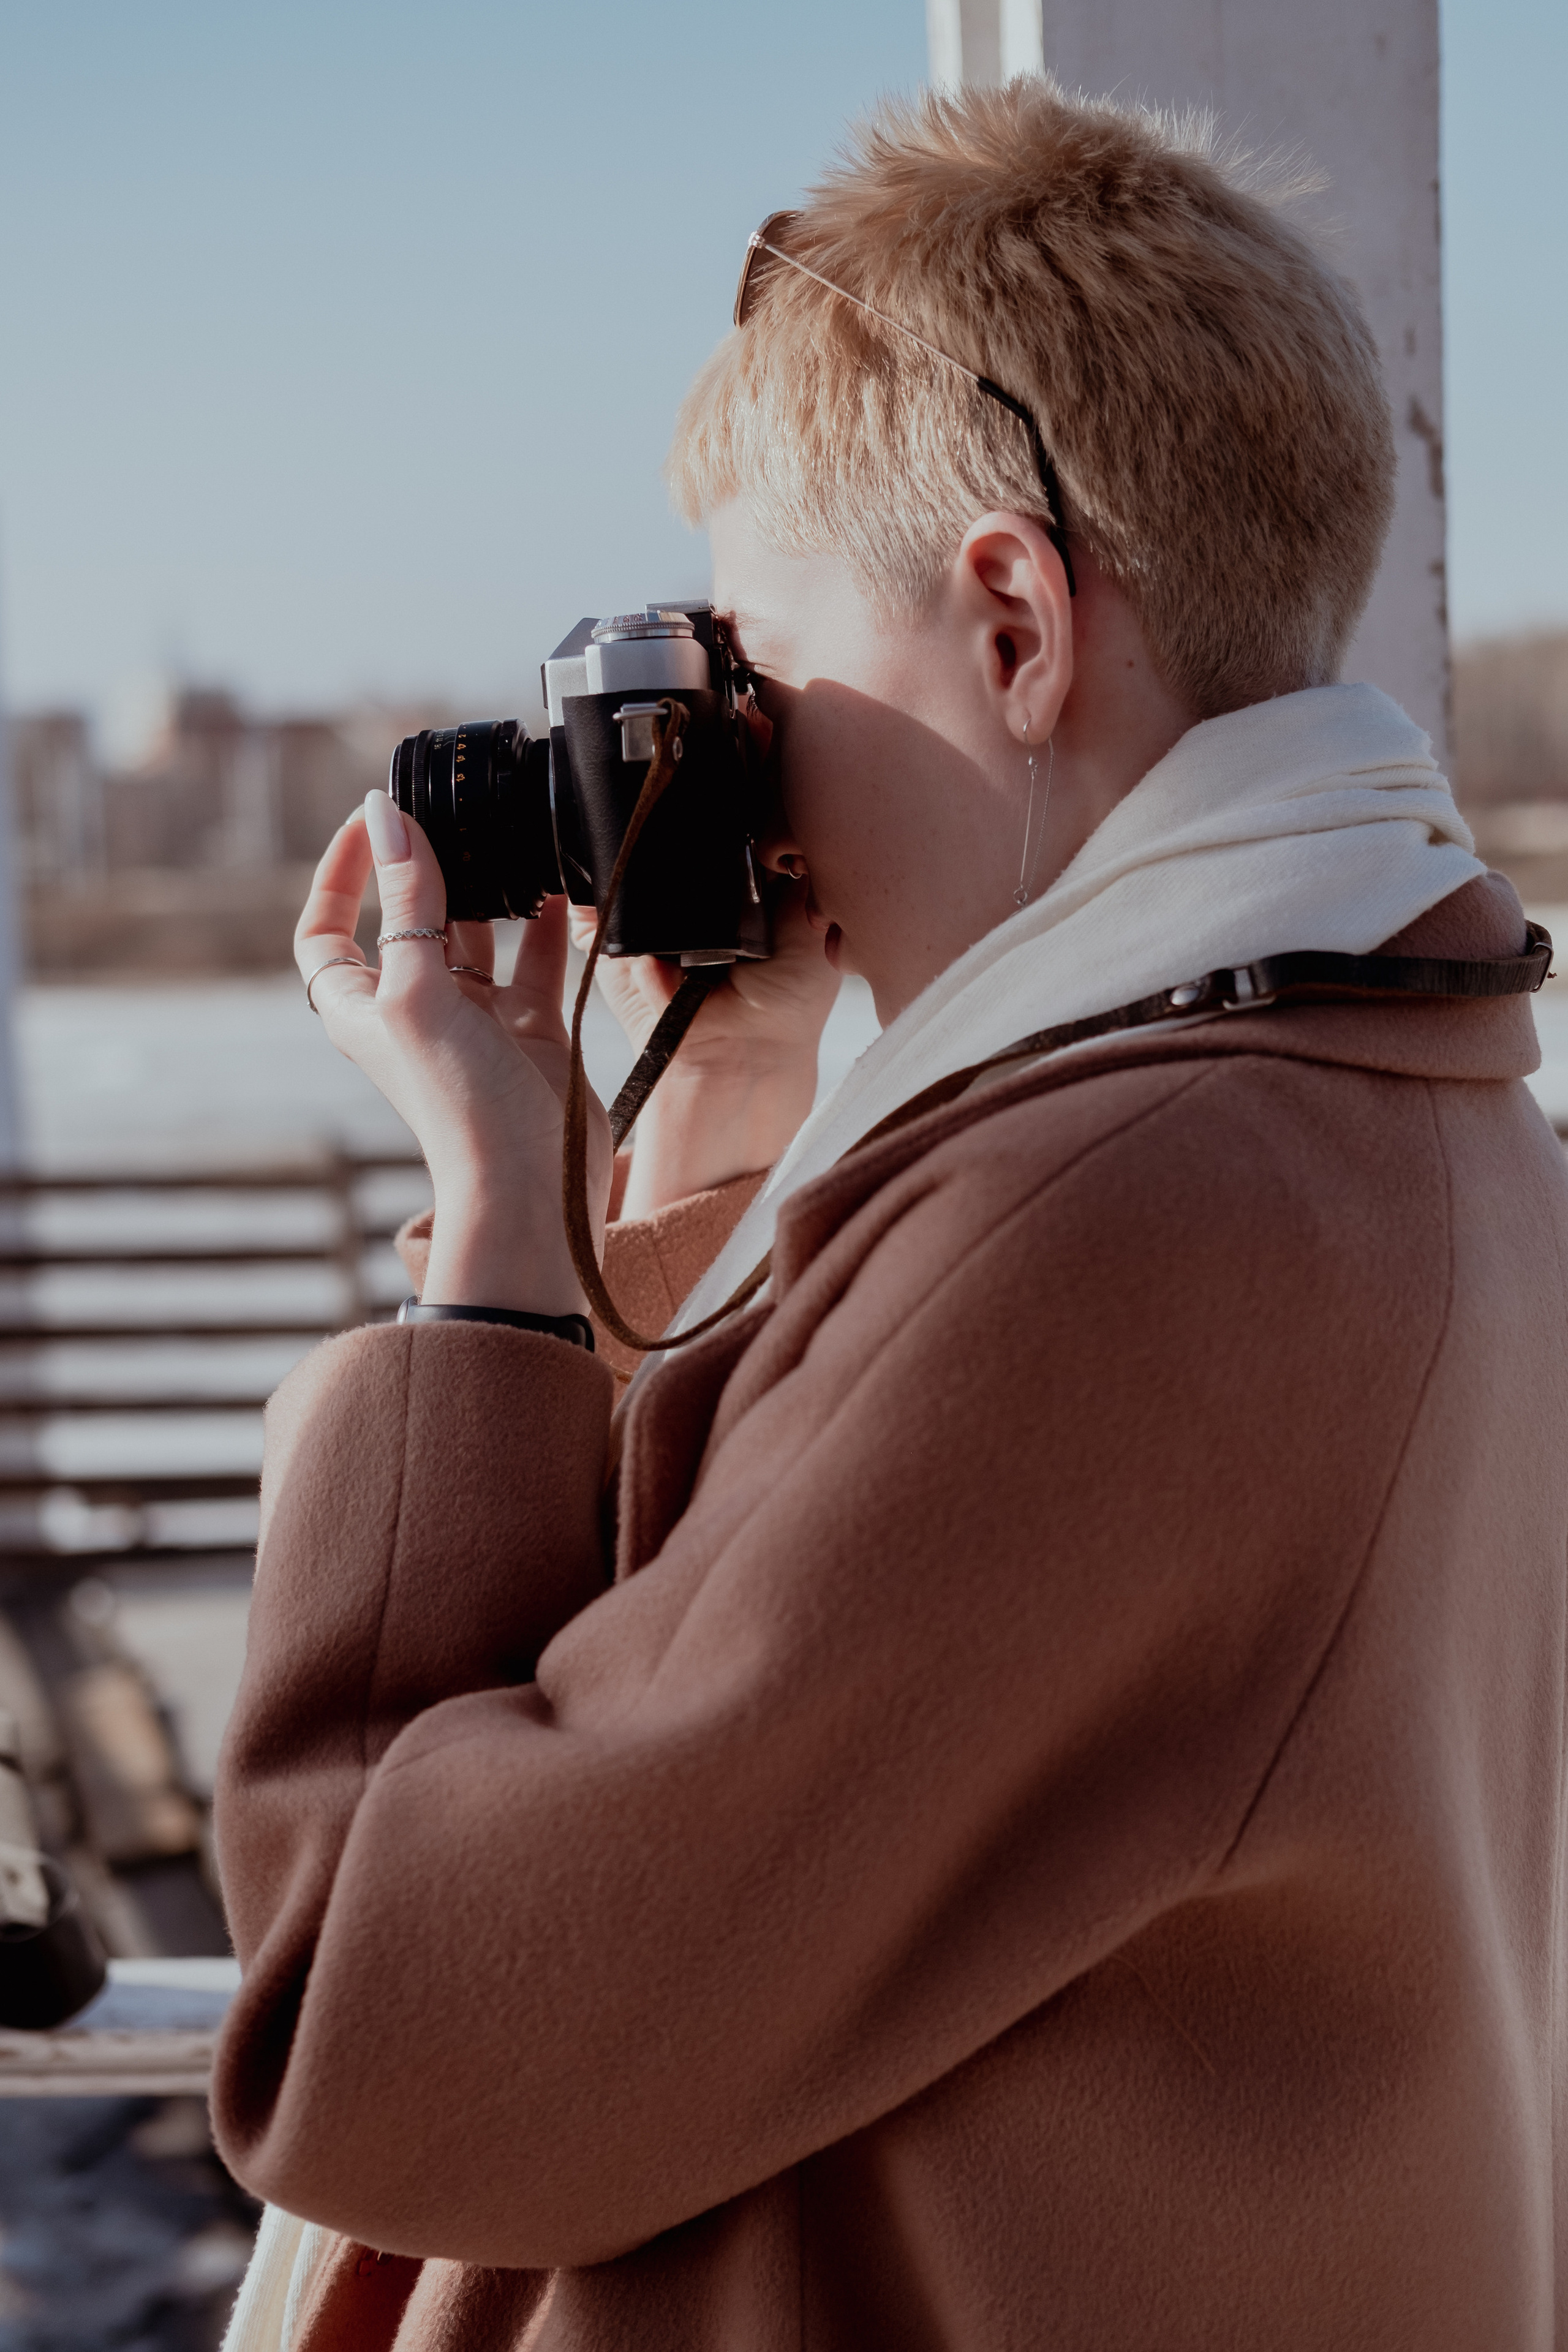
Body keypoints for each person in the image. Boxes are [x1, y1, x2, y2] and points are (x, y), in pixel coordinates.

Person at [213, 77, 1568, 2352]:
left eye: (768, 663)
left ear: (1016, 621)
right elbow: (806, 1764)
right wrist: (720, 1115)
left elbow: (393, 2045)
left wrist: (491, 1239)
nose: (746, 758)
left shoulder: (1119, 1225)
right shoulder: (1404, 1112)